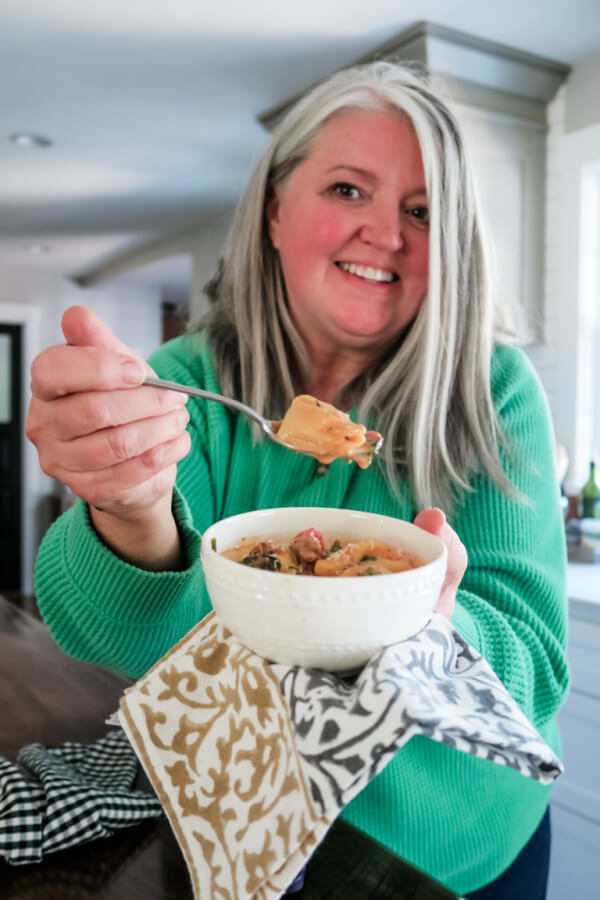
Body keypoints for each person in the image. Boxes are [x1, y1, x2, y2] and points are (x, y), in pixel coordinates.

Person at [26, 61, 568, 898]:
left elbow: (533, 671)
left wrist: (438, 617)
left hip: (449, 857)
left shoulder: (494, 392)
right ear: (276, 210)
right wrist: (131, 509)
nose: (387, 233)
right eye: (350, 190)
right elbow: (101, 631)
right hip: (242, 825)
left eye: (422, 212)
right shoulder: (182, 382)